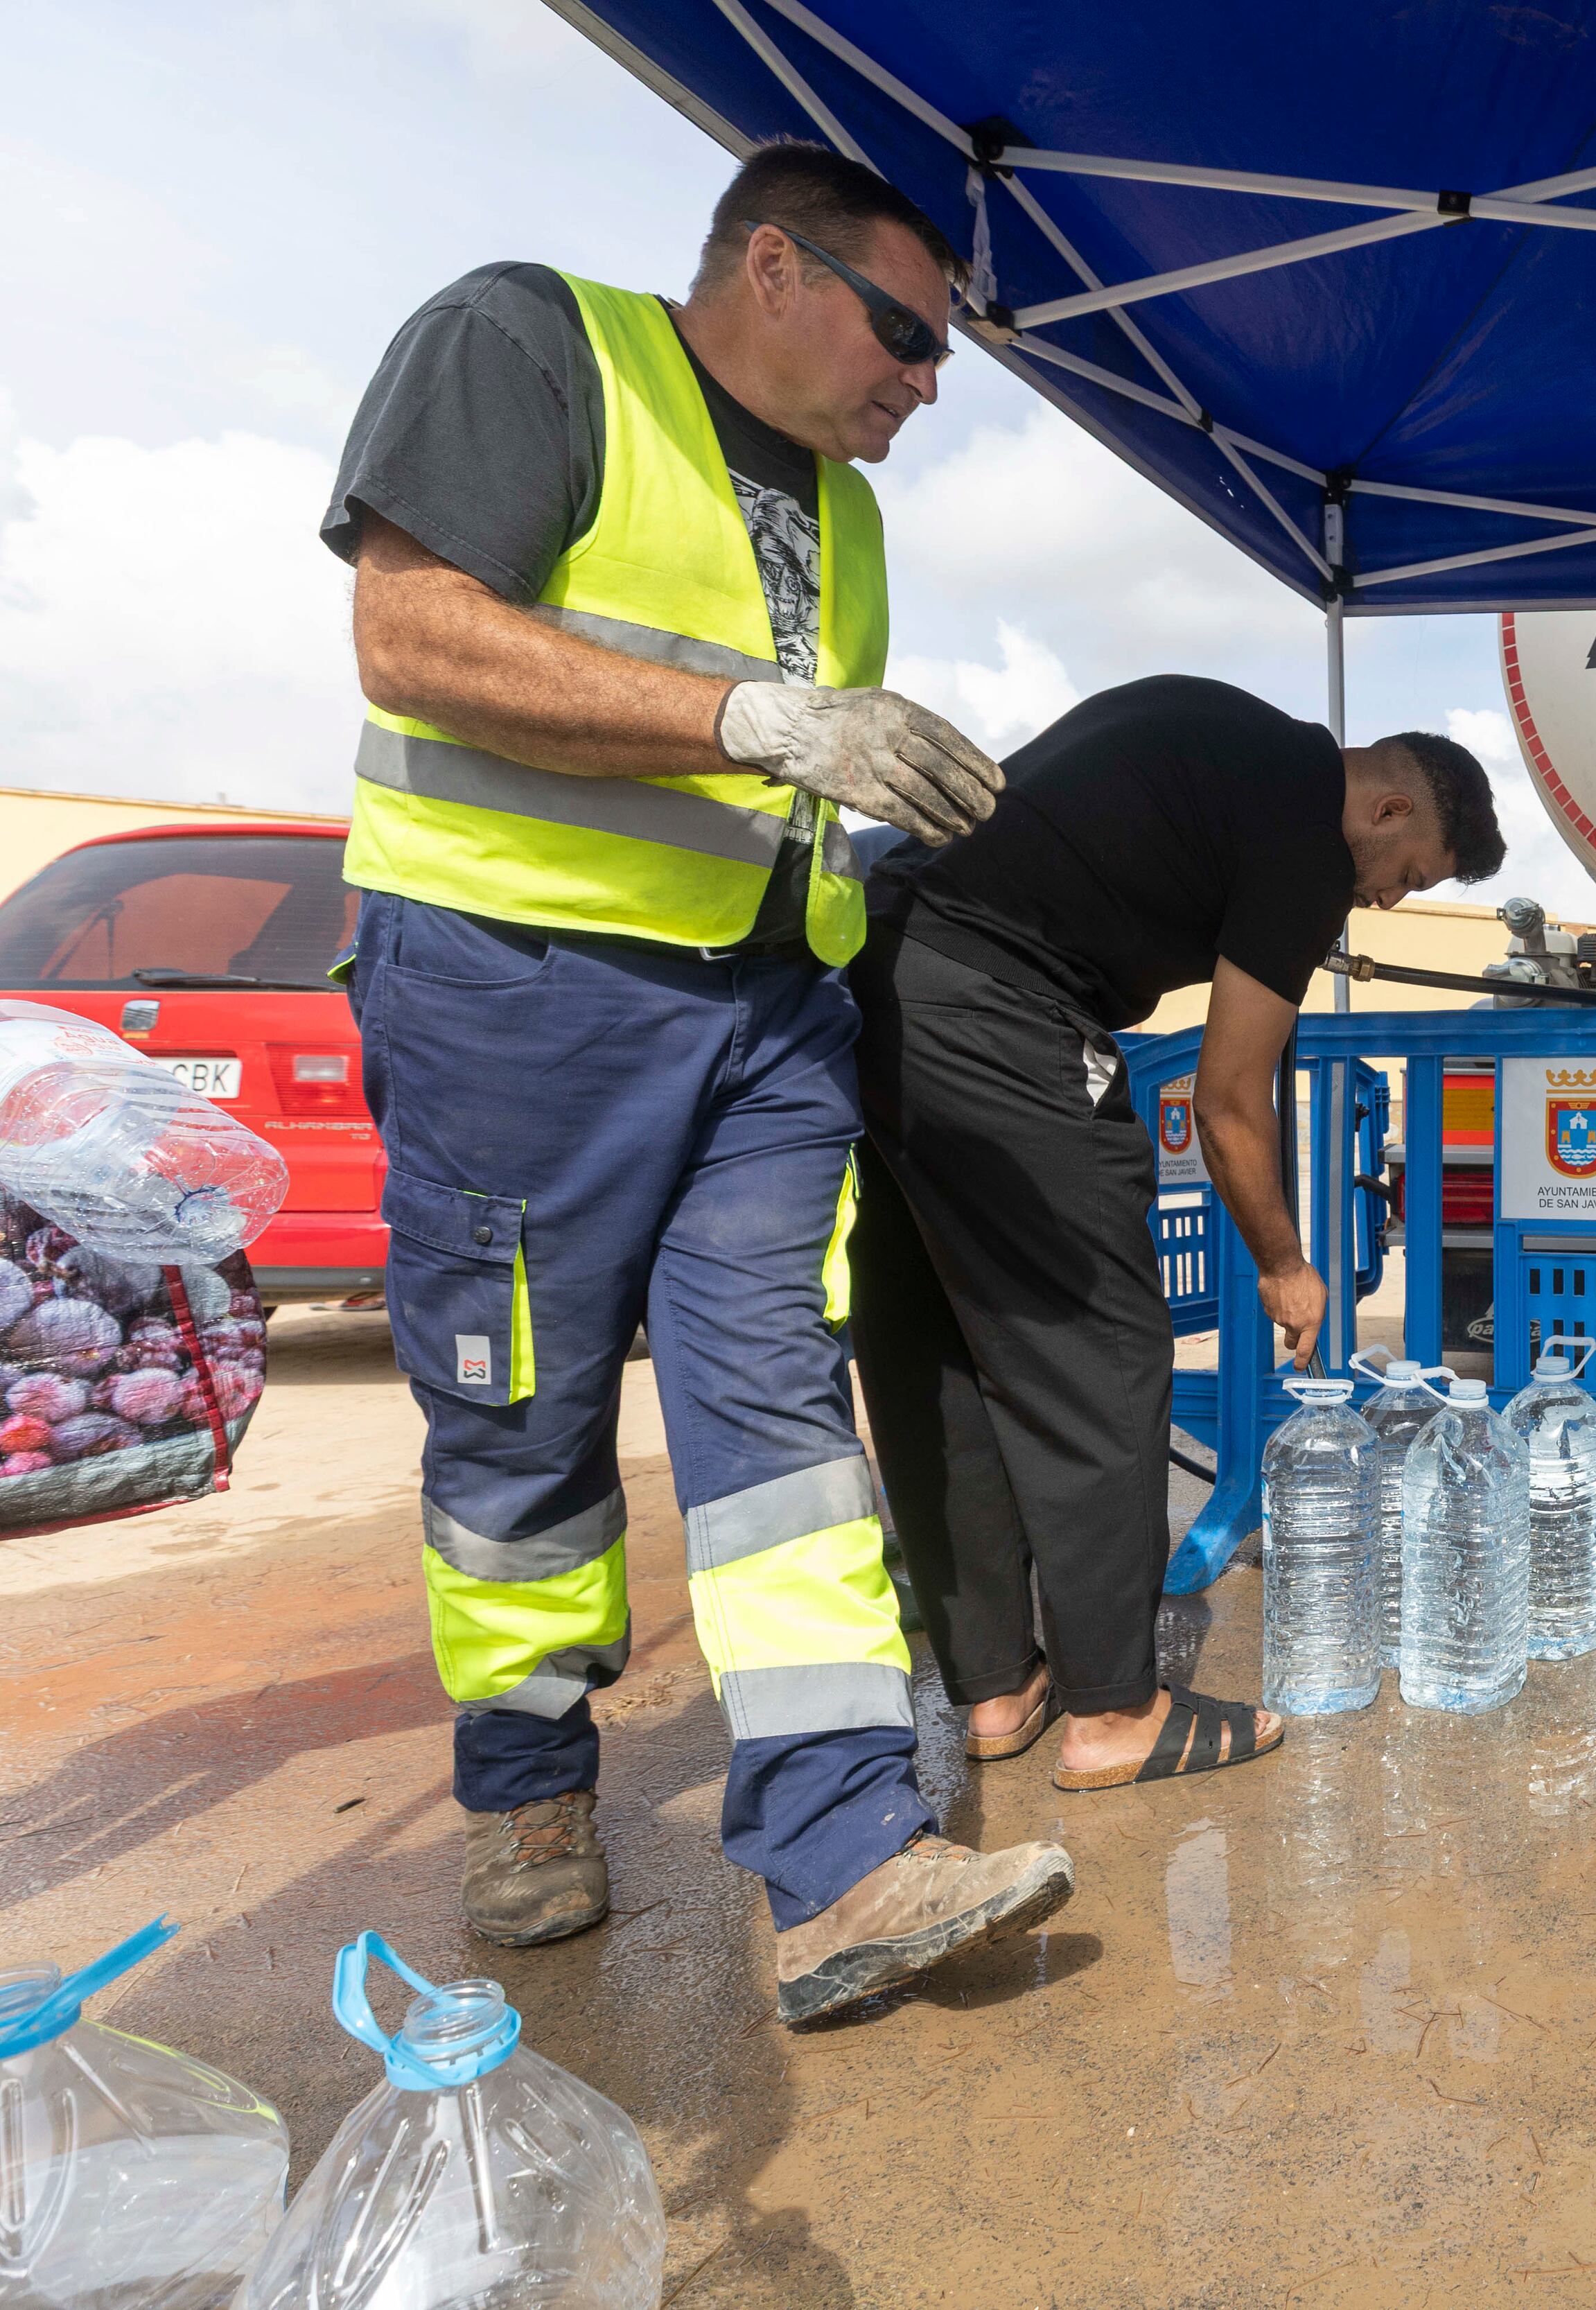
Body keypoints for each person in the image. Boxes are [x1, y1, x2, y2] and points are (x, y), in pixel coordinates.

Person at [326, 141, 1074, 2023]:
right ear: (771, 267)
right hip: (519, 988)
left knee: (774, 1418)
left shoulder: (849, 511)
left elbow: (788, 792)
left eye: (945, 355)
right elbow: (414, 639)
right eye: (906, 333)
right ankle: (525, 1789)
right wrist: (761, 717)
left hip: (761, 1015)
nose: (927, 380)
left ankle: (842, 1855)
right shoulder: (534, 342)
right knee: (522, 1425)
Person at [848, 678, 1503, 1789]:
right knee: (1103, 1345)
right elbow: (1230, 1096)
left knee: (942, 1346)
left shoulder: (1220, 729)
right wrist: (1287, 1265)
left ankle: (999, 1687)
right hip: (1005, 1015)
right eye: (1408, 875)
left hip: (887, 978)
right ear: (1389, 807)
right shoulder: (1305, 832)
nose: (1387, 901)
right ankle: (1117, 1708)